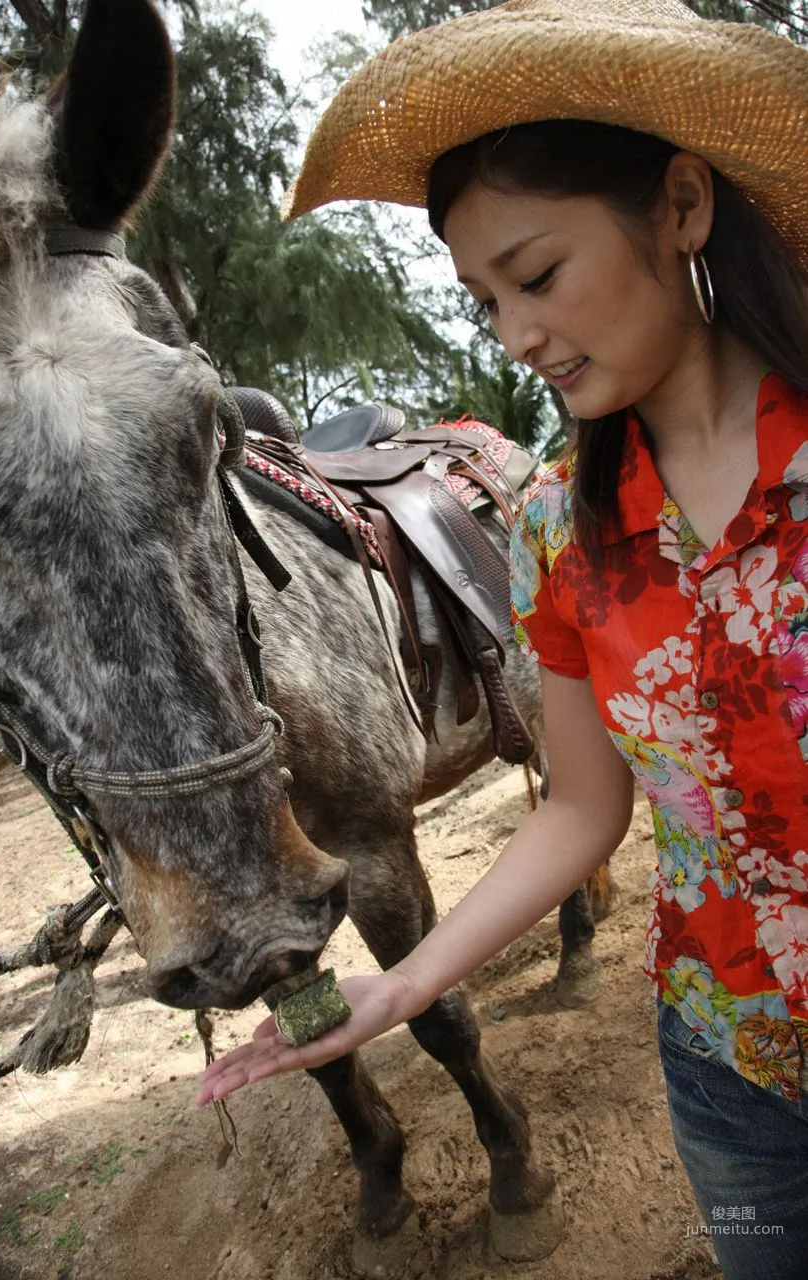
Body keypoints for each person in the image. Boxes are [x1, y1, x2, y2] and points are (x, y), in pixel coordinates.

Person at [196, 1, 808, 1274]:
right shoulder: (553, 526)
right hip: (729, 1073)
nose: (515, 334)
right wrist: (408, 982)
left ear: (682, 204)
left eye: (536, 275)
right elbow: (582, 809)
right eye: (485, 299)